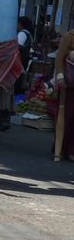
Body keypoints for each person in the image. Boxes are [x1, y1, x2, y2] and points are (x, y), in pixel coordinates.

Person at [54, 29, 74, 161]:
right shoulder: (70, 36)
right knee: (67, 115)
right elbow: (59, 57)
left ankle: (71, 150)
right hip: (68, 82)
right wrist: (60, 77)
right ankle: (59, 148)